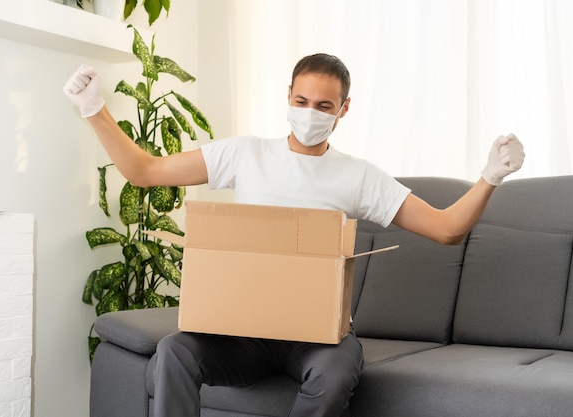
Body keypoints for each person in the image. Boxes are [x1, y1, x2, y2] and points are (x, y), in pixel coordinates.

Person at [64, 53, 525, 417]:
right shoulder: (243, 154)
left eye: (324, 106)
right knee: (173, 353)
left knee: (338, 369)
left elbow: (445, 229)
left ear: (343, 110)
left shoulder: (359, 177)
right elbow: (144, 171)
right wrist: (95, 110)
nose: (310, 114)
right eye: (301, 102)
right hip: (242, 333)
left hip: (316, 337)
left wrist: (489, 177)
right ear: (288, 96)